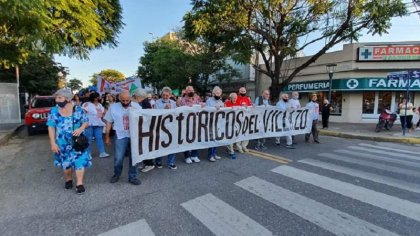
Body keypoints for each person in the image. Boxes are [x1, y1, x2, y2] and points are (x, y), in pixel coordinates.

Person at [47, 88, 90, 194]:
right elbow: (51, 127)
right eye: (56, 98)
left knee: (79, 162)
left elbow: (86, 122)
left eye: (59, 98)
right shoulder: (54, 111)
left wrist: (80, 129)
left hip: (78, 142)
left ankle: (79, 184)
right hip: (62, 143)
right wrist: (52, 143)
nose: (57, 100)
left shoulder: (78, 109)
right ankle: (68, 179)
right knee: (66, 164)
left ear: (68, 98)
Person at [104, 90, 142, 185]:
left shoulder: (136, 106)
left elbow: (143, 120)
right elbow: (109, 122)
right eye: (123, 100)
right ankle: (116, 174)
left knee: (134, 157)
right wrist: (107, 136)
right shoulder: (113, 107)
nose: (125, 102)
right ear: (119, 99)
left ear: (130, 98)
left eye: (127, 100)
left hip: (134, 136)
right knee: (118, 158)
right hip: (120, 136)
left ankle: (133, 176)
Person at [154, 87, 178, 169]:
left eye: (167, 95)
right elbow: (155, 114)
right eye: (163, 95)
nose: (165, 97)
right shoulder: (157, 102)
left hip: (171, 127)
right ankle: (158, 161)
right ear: (161, 95)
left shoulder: (173, 103)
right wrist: (164, 109)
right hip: (160, 127)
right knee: (160, 144)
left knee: (172, 144)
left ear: (170, 95)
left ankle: (170, 162)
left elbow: (176, 114)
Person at [179, 86, 202, 164]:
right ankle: (187, 156)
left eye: (192, 90)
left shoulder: (196, 98)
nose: (191, 91)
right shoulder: (182, 100)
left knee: (195, 139)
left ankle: (194, 155)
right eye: (189, 90)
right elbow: (180, 109)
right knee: (186, 139)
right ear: (186, 91)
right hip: (185, 123)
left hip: (195, 122)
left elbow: (201, 104)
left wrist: (202, 105)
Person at [134, 88, 155, 173]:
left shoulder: (145, 102)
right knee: (143, 147)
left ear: (139, 96)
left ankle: (150, 164)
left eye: (136, 96)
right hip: (142, 127)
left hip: (145, 128)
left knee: (145, 147)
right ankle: (146, 163)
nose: (135, 97)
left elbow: (146, 115)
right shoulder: (143, 102)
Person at [82, 92, 109, 158]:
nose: (98, 98)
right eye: (97, 97)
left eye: (98, 97)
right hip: (89, 124)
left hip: (98, 124)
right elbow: (82, 114)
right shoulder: (87, 104)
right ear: (94, 98)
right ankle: (88, 154)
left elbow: (104, 113)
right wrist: (84, 123)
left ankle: (102, 152)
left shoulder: (100, 105)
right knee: (88, 139)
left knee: (99, 138)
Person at [206, 86, 224, 162]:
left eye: (219, 93)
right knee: (211, 138)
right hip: (211, 122)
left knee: (216, 138)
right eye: (216, 93)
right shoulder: (209, 100)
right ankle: (210, 155)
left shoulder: (221, 101)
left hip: (218, 122)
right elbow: (206, 110)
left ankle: (214, 153)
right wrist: (214, 108)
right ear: (213, 93)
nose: (218, 94)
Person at [236, 87, 252, 153]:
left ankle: (244, 146)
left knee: (246, 132)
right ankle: (238, 146)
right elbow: (235, 107)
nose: (243, 92)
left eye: (244, 91)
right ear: (239, 92)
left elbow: (250, 107)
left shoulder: (247, 99)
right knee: (239, 133)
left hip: (246, 118)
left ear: (246, 92)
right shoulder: (236, 98)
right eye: (241, 91)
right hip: (239, 119)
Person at [224, 93, 238, 159]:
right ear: (231, 98)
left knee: (233, 137)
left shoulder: (238, 103)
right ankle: (231, 151)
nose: (235, 99)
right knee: (230, 137)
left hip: (236, 122)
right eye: (233, 98)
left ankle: (229, 148)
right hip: (228, 122)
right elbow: (224, 111)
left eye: (236, 98)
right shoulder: (226, 103)